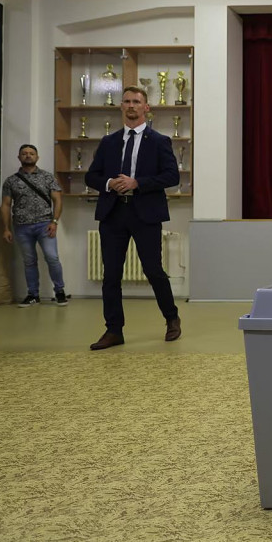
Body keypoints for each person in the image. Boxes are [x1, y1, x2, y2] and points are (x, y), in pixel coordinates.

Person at [84, 86, 181, 350]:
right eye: (126, 101)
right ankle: (113, 330)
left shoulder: (159, 141)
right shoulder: (109, 142)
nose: (131, 106)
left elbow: (172, 177)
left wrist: (138, 182)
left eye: (136, 101)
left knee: (153, 271)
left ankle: (171, 318)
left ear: (146, 108)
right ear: (121, 106)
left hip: (145, 214)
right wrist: (108, 183)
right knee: (111, 275)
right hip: (113, 214)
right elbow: (91, 176)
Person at [0, 144, 67, 307]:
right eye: (24, 153)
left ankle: (59, 291)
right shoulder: (11, 181)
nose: (28, 156)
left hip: (45, 225)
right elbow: (6, 205)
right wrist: (6, 228)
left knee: (52, 258)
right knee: (29, 261)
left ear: (37, 157)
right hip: (22, 227)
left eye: (31, 153)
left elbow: (57, 200)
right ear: (19, 157)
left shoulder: (47, 177)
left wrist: (55, 221)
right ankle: (33, 294)